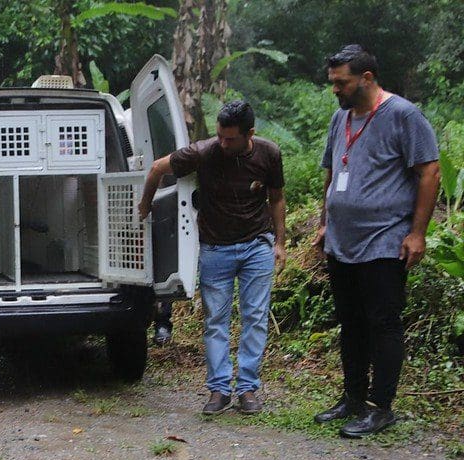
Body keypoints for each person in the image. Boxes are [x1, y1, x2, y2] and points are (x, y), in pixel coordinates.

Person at [312, 45, 440, 438]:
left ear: (366, 78)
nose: (334, 89)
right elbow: (332, 174)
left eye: (341, 82)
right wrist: (324, 223)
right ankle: (352, 398)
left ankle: (380, 407)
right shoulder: (340, 118)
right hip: (342, 242)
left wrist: (417, 233)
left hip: (385, 239)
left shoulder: (402, 115)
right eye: (332, 82)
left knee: (382, 323)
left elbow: (430, 172)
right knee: (350, 323)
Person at [138, 100, 287, 415]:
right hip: (216, 248)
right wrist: (145, 205)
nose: (222, 142)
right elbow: (156, 169)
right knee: (215, 321)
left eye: (230, 138)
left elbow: (276, 198)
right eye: (219, 135)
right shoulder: (203, 152)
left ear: (250, 134)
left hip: (256, 245)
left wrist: (280, 243)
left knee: (255, 318)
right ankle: (219, 389)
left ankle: (247, 389)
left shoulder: (268, 153)